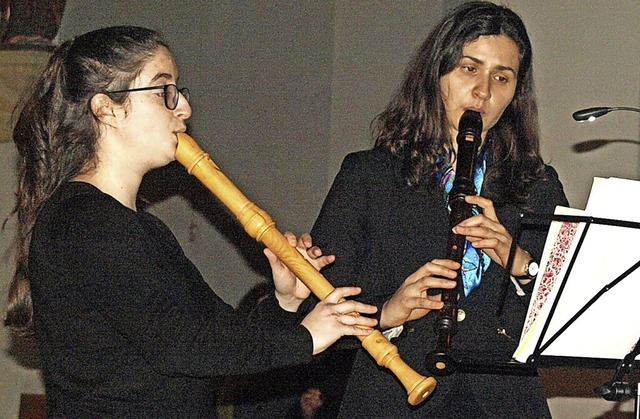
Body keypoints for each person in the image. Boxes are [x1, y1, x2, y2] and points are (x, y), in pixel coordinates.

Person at [3, 25, 378, 418]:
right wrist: (306, 338)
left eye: (179, 91)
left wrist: (285, 302)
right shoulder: (83, 223)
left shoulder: (138, 227)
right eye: (164, 91)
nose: (183, 108)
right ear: (106, 108)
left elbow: (218, 340)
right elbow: (185, 347)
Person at [301, 2, 569, 418]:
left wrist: (520, 263)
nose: (484, 91)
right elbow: (315, 305)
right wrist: (389, 312)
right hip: (393, 397)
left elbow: (567, 317)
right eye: (468, 69)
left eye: (502, 77)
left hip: (506, 403)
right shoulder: (369, 175)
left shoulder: (538, 184)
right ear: (436, 74)